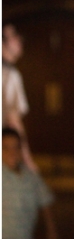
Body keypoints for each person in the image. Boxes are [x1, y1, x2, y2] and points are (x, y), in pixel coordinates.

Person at [2, 127, 57, 239]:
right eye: (6, 147)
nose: (11, 152)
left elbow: (45, 200)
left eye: (15, 147)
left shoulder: (30, 176)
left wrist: (51, 228)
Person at [2, 23, 36, 171]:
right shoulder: (10, 75)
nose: (18, 40)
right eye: (13, 36)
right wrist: (27, 160)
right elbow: (14, 120)